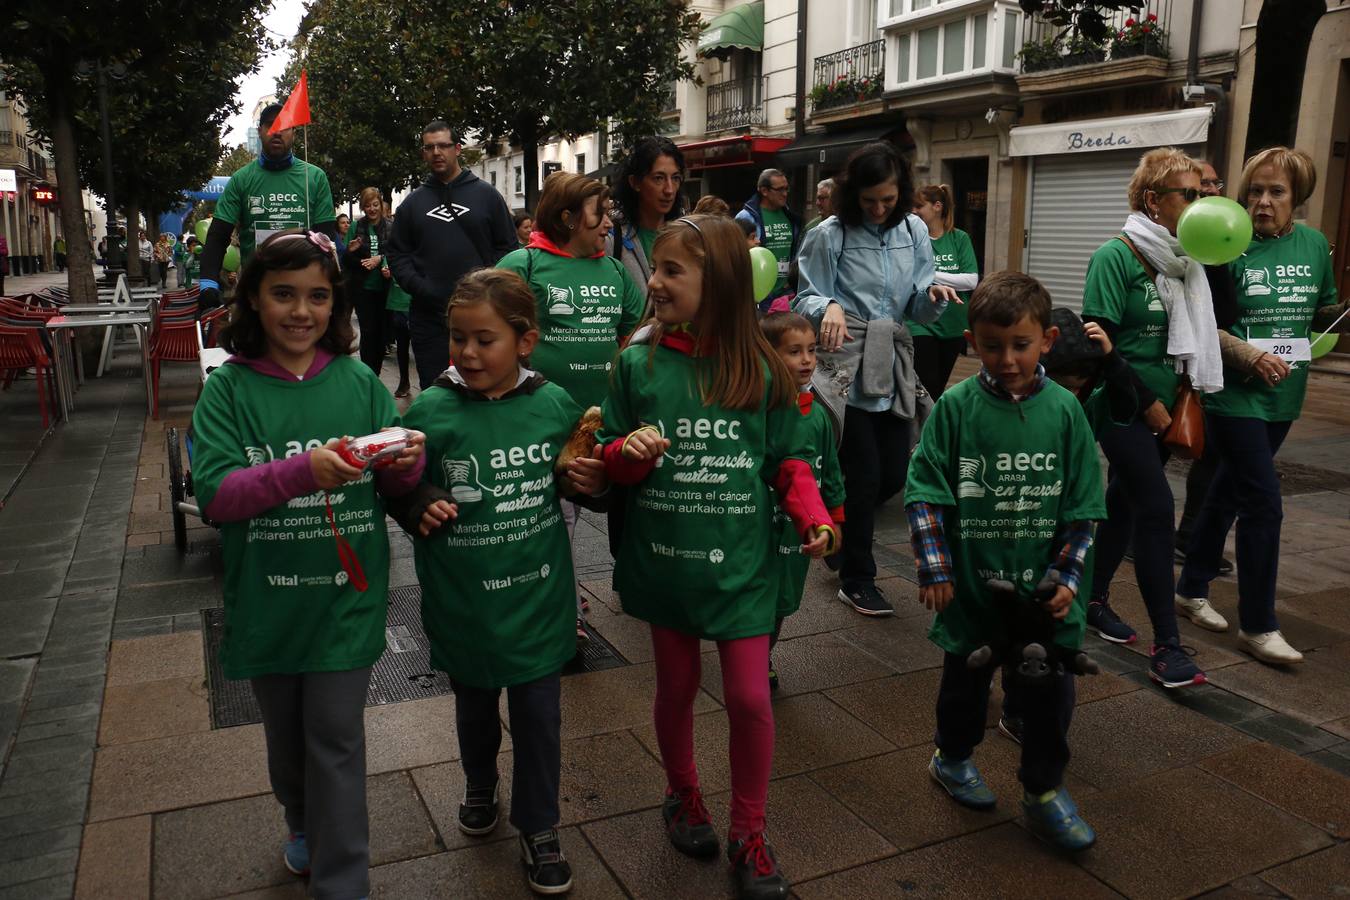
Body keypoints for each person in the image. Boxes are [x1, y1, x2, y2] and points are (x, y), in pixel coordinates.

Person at [598, 215, 836, 900]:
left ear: (722, 282)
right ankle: (682, 795)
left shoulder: (762, 368)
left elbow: (790, 458)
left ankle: (750, 833)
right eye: (658, 269)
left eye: (674, 271)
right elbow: (608, 453)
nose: (657, 283)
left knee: (748, 698)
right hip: (666, 562)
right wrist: (624, 455)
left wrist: (814, 516)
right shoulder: (635, 361)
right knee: (674, 689)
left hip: (742, 566)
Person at [190, 229, 426, 899]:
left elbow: (395, 484)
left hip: (345, 602)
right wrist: (301, 472)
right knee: (289, 745)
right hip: (268, 601)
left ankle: (343, 880)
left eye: (318, 296)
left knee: (335, 738)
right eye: (284, 294)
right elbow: (216, 495)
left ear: (336, 305)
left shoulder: (359, 382)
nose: (301, 311)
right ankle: (298, 816)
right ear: (254, 300)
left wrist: (411, 465)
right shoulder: (229, 391)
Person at [388, 269, 607, 896]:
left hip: (538, 598)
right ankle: (479, 781)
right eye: (459, 338)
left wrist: (593, 483)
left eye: (485, 340)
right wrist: (417, 499)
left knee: (540, 718)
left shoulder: (555, 404)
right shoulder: (430, 410)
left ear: (526, 341)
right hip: (463, 599)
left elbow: (577, 475)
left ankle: (540, 826)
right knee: (475, 705)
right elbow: (397, 486)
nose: (467, 353)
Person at [904, 271, 1105, 852]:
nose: (1007, 359)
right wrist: (936, 567)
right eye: (992, 346)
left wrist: (1069, 574)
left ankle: (1044, 791)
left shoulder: (1067, 411)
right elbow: (926, 488)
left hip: (1045, 601)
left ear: (1045, 339)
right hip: (972, 590)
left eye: (1020, 344)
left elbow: (1084, 506)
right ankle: (954, 755)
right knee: (964, 688)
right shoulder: (956, 408)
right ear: (972, 341)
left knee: (1050, 699)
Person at [1177, 147, 1349, 665]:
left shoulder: (1315, 244)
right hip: (1232, 392)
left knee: (1228, 492)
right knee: (1263, 505)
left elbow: (1321, 314)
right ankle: (1258, 624)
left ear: (1298, 197)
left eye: (1276, 192)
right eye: (1255, 190)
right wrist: (1248, 356)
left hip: (1285, 394)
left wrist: (1333, 320)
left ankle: (1190, 586)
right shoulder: (1226, 244)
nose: (1262, 202)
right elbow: (1202, 321)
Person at [795, 141, 959, 617]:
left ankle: (842, 536)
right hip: (844, 362)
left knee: (896, 469)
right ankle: (858, 577)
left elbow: (917, 300)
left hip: (893, 362)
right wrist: (826, 305)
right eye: (870, 201)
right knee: (864, 474)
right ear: (853, 195)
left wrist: (935, 296)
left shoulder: (913, 230)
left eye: (888, 199)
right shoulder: (829, 234)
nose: (880, 209)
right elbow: (806, 293)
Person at [1080, 147, 1223, 689]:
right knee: (1158, 508)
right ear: (1152, 201)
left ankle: (1091, 598)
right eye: (1188, 193)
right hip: (1123, 407)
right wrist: (1148, 403)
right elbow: (1100, 343)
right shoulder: (1114, 257)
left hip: (1169, 410)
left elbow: (1202, 330)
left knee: (1122, 505)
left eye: (1204, 191)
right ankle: (1168, 645)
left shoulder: (1189, 259)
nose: (1201, 201)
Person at [497, 171, 644, 639]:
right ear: (568, 217)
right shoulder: (523, 264)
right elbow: (491, 327)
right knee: (547, 517)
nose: (608, 223)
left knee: (570, 516)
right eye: (600, 212)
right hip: (533, 420)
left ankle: (560, 594)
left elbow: (639, 332)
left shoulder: (617, 271)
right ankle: (560, 609)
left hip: (595, 425)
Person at [387, 120, 517, 390]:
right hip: (429, 319)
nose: (436, 152)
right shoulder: (412, 204)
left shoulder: (487, 196)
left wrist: (487, 286)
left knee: (485, 390)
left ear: (457, 148)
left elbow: (508, 248)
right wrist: (423, 287)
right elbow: (398, 254)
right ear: (423, 153)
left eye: (443, 146)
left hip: (484, 317)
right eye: (429, 147)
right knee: (437, 393)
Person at [761, 312, 845, 691]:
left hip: (798, 537)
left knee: (783, 600)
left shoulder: (820, 418)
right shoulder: (759, 414)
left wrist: (835, 521)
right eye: (794, 352)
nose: (807, 360)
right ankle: (754, 659)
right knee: (758, 596)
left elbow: (831, 475)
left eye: (811, 350)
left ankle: (765, 652)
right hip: (761, 529)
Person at [200, 103, 338, 310]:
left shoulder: (315, 177)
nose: (277, 132)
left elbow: (326, 239)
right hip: (255, 293)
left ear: (294, 133)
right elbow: (218, 236)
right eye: (270, 125)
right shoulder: (241, 179)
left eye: (284, 126)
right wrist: (208, 284)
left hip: (303, 293)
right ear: (260, 131)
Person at [1173, 160, 1237, 575]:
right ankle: (1122, 535)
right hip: (1178, 363)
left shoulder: (1224, 239)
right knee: (1156, 453)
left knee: (1211, 453)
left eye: (1216, 183)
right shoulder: (1180, 245)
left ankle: (1190, 536)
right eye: (1202, 186)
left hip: (1214, 364)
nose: (1212, 191)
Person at [911, 184, 980, 399]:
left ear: (937, 207)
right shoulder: (912, 239)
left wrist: (928, 274)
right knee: (925, 387)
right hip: (921, 324)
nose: (914, 211)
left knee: (940, 387)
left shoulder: (959, 238)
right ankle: (920, 430)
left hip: (954, 325)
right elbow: (909, 277)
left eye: (919, 206)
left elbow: (970, 280)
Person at [608, 136, 687, 308]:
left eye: (675, 178)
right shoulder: (612, 239)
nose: (669, 189)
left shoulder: (686, 238)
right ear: (635, 182)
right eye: (658, 178)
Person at [735, 169, 802, 309]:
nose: (785, 193)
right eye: (780, 189)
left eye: (786, 188)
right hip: (760, 293)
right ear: (764, 191)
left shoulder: (790, 217)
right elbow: (737, 255)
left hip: (786, 292)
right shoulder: (746, 217)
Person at [344, 187, 393, 374]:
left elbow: (397, 253)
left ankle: (376, 373)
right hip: (362, 288)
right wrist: (352, 251)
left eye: (375, 204)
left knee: (382, 335)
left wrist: (379, 259)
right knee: (368, 332)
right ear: (363, 208)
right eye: (367, 206)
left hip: (385, 288)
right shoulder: (357, 227)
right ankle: (368, 373)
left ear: (381, 205)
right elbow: (346, 260)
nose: (372, 209)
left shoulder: (390, 226)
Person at [385, 268, 414, 399]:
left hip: (417, 304)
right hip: (399, 304)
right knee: (402, 347)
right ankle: (404, 381)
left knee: (420, 349)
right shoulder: (396, 251)